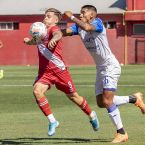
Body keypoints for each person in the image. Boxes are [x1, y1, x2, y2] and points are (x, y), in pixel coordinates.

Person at [62, 5, 145, 143]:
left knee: (107, 101)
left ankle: (121, 132)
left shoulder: (97, 23)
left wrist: (71, 17)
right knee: (101, 103)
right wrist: (47, 32)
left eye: (83, 13)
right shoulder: (79, 27)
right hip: (100, 68)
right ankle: (134, 99)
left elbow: (87, 28)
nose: (81, 15)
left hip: (110, 66)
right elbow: (64, 32)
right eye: (80, 13)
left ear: (92, 15)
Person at [23, 8, 99, 136]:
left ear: (56, 20)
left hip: (60, 72)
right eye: (45, 16)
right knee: (37, 91)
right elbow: (34, 41)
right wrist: (28, 41)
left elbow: (58, 34)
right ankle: (53, 121)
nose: (45, 18)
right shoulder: (40, 32)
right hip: (45, 73)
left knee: (74, 98)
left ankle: (91, 115)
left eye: (48, 16)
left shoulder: (54, 30)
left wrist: (55, 39)